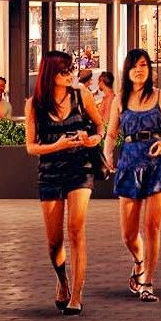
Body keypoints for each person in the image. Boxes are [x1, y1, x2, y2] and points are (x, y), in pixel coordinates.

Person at [21, 48, 104, 307]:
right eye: (64, 71)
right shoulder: (34, 104)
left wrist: (92, 139)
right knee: (54, 241)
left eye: (71, 70)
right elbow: (31, 147)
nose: (70, 74)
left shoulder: (82, 96)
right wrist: (57, 145)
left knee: (76, 229)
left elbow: (100, 126)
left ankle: (77, 296)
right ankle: (63, 281)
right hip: (50, 173)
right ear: (50, 74)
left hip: (80, 168)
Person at [108, 49, 161, 299]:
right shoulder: (120, 99)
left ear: (150, 69)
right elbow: (112, 133)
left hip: (159, 164)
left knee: (152, 227)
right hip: (128, 162)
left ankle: (148, 282)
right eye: (135, 66)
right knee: (127, 233)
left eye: (144, 65)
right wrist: (108, 153)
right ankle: (139, 261)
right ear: (127, 70)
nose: (139, 70)